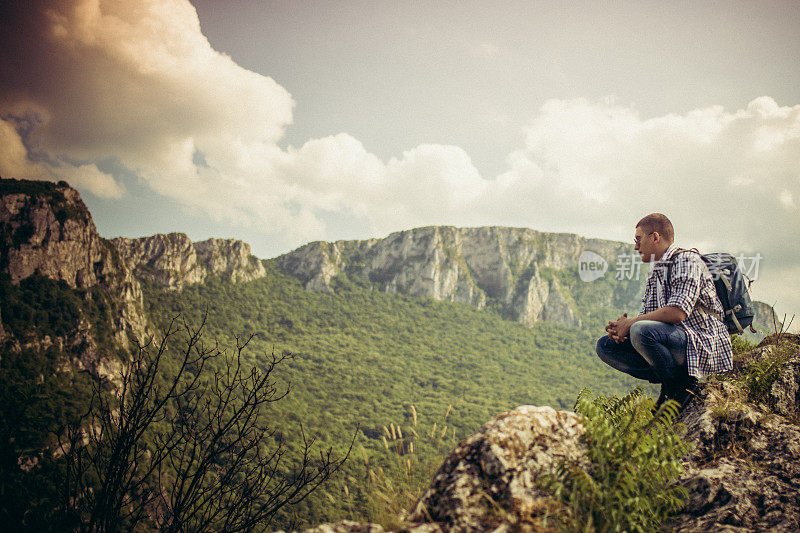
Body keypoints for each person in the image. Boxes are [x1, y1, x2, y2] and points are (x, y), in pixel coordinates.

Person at [596, 213, 733, 409]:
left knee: (640, 331)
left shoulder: (687, 261)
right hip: (674, 338)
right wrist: (622, 330)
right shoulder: (657, 269)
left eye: (638, 239)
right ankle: (673, 381)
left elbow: (677, 313)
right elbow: (650, 317)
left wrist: (631, 324)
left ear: (655, 237)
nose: (636, 246)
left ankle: (679, 388)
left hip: (700, 340)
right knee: (605, 346)